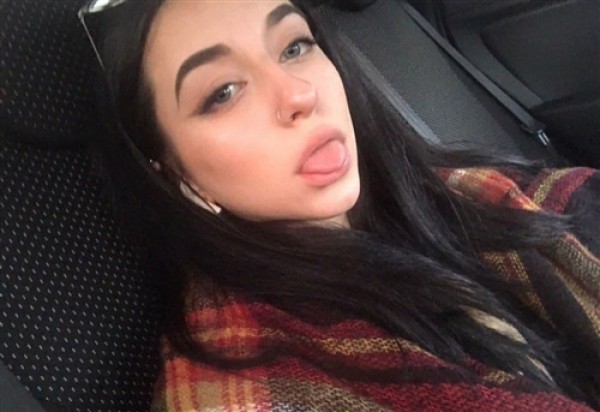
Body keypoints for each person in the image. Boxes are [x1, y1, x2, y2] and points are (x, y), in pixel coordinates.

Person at [79, 0, 600, 410]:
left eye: (294, 46)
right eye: (224, 92)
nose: (299, 94)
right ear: (176, 174)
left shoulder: (464, 192)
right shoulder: (244, 382)